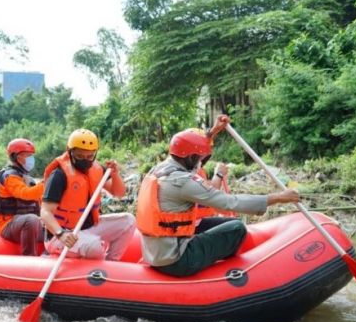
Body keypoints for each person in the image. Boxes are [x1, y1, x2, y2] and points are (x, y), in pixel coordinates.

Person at [136, 115, 300, 277]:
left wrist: (212, 133)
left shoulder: (160, 169)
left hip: (157, 252)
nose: (202, 160)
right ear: (191, 157)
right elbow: (229, 202)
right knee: (237, 228)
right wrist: (278, 197)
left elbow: (193, 158)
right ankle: (228, 275)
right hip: (176, 260)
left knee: (229, 222)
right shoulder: (183, 182)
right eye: (198, 157)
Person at [41, 129, 136, 260]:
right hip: (63, 235)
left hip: (88, 228)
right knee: (95, 246)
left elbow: (118, 193)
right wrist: (61, 234)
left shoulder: (96, 170)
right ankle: (53, 253)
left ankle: (111, 264)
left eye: (90, 156)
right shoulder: (59, 175)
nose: (85, 160)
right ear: (70, 151)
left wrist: (114, 174)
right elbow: (45, 212)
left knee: (128, 221)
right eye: (80, 156)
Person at [0, 138, 44, 256]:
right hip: (7, 225)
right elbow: (25, 194)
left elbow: (39, 201)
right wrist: (45, 184)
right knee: (31, 219)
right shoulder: (10, 177)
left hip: (24, 223)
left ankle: (52, 253)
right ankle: (29, 257)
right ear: (17, 157)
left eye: (31, 155)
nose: (31, 159)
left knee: (55, 222)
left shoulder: (25, 176)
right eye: (27, 155)